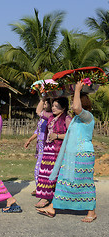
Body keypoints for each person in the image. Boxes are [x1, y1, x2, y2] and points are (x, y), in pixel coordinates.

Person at [37, 82, 97, 223]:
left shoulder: (88, 117)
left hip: (84, 154)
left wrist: (77, 89)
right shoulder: (76, 119)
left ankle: (91, 211)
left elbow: (76, 108)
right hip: (72, 154)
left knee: (84, 182)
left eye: (74, 100)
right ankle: (52, 207)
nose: (72, 104)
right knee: (63, 179)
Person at [35, 97, 71, 208]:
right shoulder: (51, 117)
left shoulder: (67, 118)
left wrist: (57, 136)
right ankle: (45, 197)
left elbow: (71, 134)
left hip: (59, 150)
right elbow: (38, 111)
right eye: (53, 106)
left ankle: (58, 198)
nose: (54, 108)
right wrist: (43, 98)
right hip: (48, 149)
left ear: (63, 108)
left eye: (57, 106)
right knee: (45, 174)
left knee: (57, 174)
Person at [24, 98, 51, 196]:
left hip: (46, 146)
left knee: (38, 168)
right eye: (43, 104)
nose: (44, 106)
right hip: (39, 146)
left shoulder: (51, 117)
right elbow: (37, 131)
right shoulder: (42, 118)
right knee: (39, 168)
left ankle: (41, 188)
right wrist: (29, 140)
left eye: (45, 104)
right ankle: (39, 187)